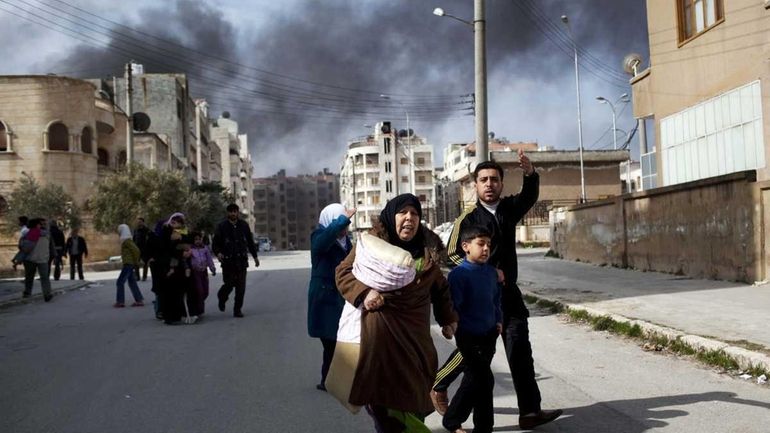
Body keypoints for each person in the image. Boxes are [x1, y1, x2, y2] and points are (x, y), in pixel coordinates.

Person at [431, 151, 562, 430]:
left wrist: (530, 174)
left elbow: (529, 197)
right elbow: (450, 255)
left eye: (494, 179)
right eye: (483, 180)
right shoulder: (466, 219)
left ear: (501, 183)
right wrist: (484, 270)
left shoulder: (508, 209)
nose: (489, 184)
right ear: (475, 185)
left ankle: (529, 411)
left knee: (520, 351)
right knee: (476, 354)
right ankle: (439, 383)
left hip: (508, 296)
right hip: (478, 299)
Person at [335, 194, 458, 433]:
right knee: (384, 406)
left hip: (415, 342)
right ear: (391, 217)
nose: (409, 218)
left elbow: (440, 287)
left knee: (414, 399)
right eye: (403, 213)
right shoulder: (370, 246)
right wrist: (365, 293)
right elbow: (343, 273)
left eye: (414, 213)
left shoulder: (428, 251)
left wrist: (448, 318)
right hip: (381, 338)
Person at [442, 226, 501, 433]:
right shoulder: (459, 275)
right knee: (485, 379)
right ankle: (464, 423)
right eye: (481, 244)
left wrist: (498, 320)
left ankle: (466, 423)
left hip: (489, 335)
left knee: (474, 380)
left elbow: (496, 299)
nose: (486, 249)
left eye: (488, 245)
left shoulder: (491, 273)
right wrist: (450, 325)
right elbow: (453, 306)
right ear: (466, 247)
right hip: (468, 337)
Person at [307, 203, 354, 391]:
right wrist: (342, 219)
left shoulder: (346, 242)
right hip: (325, 298)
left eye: (346, 225)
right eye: (342, 224)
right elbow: (326, 239)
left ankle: (329, 380)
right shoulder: (319, 236)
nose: (344, 229)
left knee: (339, 340)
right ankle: (330, 380)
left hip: (342, 297)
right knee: (331, 341)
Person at [212, 203, 259, 318]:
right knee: (229, 284)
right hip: (228, 262)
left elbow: (250, 242)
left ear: (238, 212)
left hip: (241, 261)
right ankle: (222, 297)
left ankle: (237, 310)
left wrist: (255, 257)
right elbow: (215, 243)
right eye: (231, 211)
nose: (233, 213)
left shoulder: (243, 225)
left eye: (235, 211)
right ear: (228, 213)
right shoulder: (222, 226)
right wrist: (218, 253)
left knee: (241, 287)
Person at [157, 213, 194, 324]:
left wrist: (186, 249)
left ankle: (181, 314)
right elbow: (166, 249)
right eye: (173, 222)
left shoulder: (182, 232)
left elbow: (189, 240)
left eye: (177, 222)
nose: (175, 224)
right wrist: (181, 253)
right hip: (169, 266)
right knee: (170, 293)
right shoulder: (166, 232)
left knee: (180, 291)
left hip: (180, 266)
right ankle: (170, 317)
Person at [21, 218, 53, 302]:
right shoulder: (47, 234)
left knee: (29, 277)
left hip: (30, 259)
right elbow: (50, 246)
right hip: (43, 259)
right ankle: (47, 294)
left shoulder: (28, 234)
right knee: (44, 278)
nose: (42, 225)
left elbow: (24, 247)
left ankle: (27, 293)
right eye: (40, 224)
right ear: (37, 225)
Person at [115, 224, 144, 308]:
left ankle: (120, 302)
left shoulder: (127, 241)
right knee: (132, 282)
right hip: (129, 263)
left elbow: (136, 250)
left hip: (128, 264)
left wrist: (136, 261)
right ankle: (139, 300)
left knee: (120, 282)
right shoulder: (126, 240)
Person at [190, 232, 216, 317]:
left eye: (199, 239)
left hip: (204, 272)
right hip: (195, 272)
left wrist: (212, 269)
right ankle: (199, 310)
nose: (197, 241)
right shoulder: (190, 249)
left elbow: (209, 259)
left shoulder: (205, 248)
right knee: (199, 291)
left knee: (205, 291)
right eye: (195, 239)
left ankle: (199, 305)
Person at [133, 217, 151, 281]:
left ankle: (144, 277)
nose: (139, 223)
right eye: (138, 222)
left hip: (145, 249)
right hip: (137, 249)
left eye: (140, 222)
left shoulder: (147, 230)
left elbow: (150, 239)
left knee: (145, 263)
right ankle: (137, 277)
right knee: (136, 264)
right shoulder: (135, 230)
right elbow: (134, 239)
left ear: (143, 222)